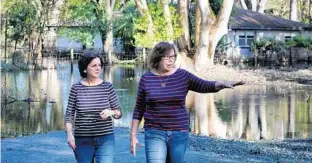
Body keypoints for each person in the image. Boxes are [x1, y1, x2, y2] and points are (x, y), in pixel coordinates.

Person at [130, 42, 244, 163]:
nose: (171, 60)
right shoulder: (146, 79)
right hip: (154, 132)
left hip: (179, 131)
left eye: (173, 56)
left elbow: (204, 85)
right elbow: (139, 109)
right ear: (157, 57)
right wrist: (133, 135)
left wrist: (221, 84)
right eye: (167, 57)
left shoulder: (183, 76)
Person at [65, 52, 122, 163]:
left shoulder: (107, 87)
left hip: (105, 138)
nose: (98, 68)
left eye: (99, 65)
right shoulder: (76, 88)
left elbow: (119, 113)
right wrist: (69, 134)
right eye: (94, 65)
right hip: (82, 139)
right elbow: (69, 115)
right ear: (85, 69)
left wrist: (110, 112)